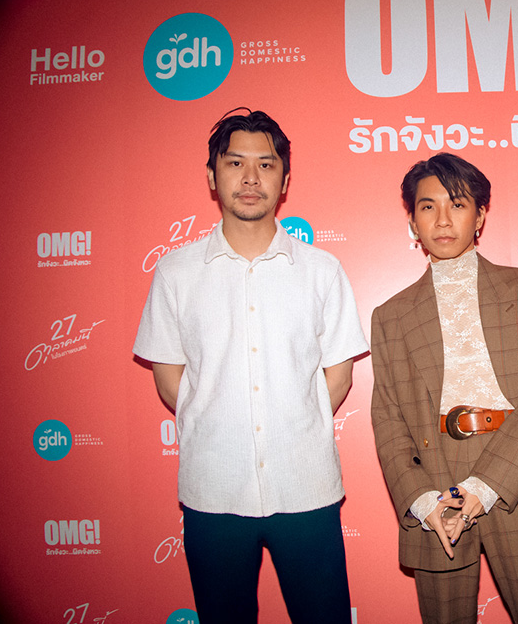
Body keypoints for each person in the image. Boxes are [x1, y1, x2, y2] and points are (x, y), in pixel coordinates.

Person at [133, 108, 367, 623]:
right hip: (213, 491)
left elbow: (339, 374)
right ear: (211, 175)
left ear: (285, 179)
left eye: (266, 164)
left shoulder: (321, 271)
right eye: (235, 162)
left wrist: (294, 419)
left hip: (306, 488)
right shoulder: (175, 273)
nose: (250, 177)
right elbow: (170, 378)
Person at [370, 153, 518, 624]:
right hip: (434, 481)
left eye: (457, 204)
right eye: (427, 207)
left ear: (481, 215)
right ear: (412, 221)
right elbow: (387, 417)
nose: (442, 220)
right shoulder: (390, 316)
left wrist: (487, 485)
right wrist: (419, 498)